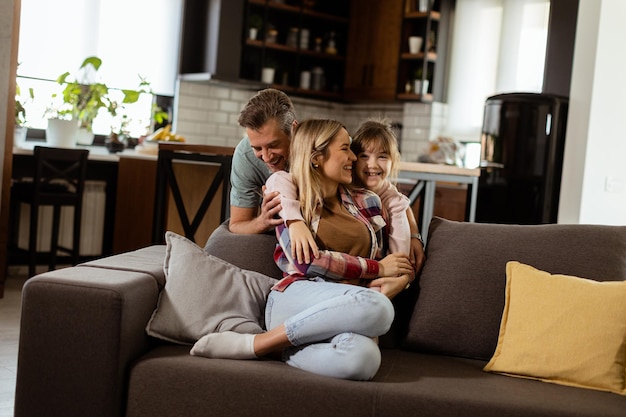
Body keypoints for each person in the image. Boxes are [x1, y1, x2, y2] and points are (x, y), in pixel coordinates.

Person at [191, 119, 414, 380]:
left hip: (346, 307)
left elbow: (388, 252)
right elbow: (307, 263)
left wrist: (396, 276)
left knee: (363, 361)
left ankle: (277, 351)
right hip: (296, 297)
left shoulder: (369, 201)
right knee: (380, 308)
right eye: (346, 149)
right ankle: (256, 344)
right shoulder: (290, 198)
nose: (354, 157)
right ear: (317, 157)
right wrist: (375, 271)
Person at [272, 117, 426, 274]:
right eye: (363, 155)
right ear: (316, 157)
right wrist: (295, 221)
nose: (370, 164)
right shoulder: (292, 198)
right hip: (309, 288)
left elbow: (394, 259)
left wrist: (400, 275)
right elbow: (279, 180)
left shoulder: (373, 200)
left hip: (362, 290)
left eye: (382, 156)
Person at [228, 88, 297, 234]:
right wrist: (263, 221)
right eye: (257, 148)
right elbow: (237, 224)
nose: (266, 157)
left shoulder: (318, 146)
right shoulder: (245, 155)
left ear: (294, 130)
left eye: (273, 145)